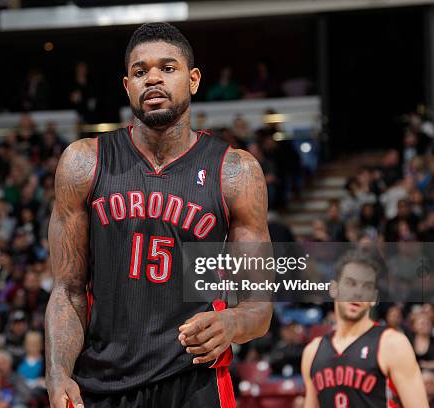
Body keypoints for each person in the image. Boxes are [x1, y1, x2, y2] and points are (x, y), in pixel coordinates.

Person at [45, 22, 272, 408]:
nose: (152, 78)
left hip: (194, 378)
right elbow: (68, 289)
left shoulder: (235, 172)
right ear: (127, 86)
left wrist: (232, 324)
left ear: (194, 79)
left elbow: (259, 304)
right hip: (103, 382)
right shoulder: (84, 163)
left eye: (168, 68)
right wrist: (57, 372)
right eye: (140, 71)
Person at [301, 249, 428, 407]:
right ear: (333, 289)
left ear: (374, 298)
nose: (358, 293)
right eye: (350, 283)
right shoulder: (312, 352)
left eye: (366, 287)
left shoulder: (393, 344)